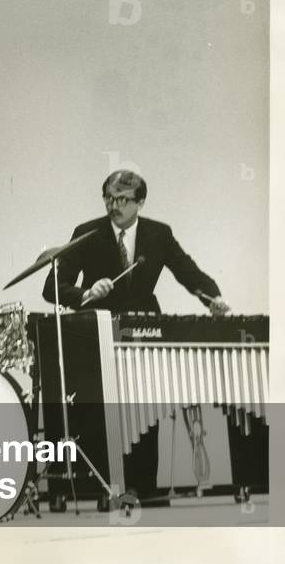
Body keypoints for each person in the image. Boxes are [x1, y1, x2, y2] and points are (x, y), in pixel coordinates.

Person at [41, 169, 229, 505]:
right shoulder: (87, 233)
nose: (114, 206)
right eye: (109, 199)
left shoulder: (159, 234)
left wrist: (212, 298)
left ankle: (142, 486)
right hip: (97, 331)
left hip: (144, 330)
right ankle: (104, 486)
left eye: (123, 200)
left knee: (144, 405)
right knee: (102, 411)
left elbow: (188, 273)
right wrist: (86, 292)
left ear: (140, 202)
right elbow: (52, 286)